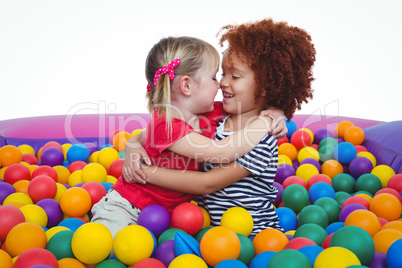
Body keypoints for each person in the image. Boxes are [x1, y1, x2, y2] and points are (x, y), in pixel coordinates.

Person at [129, 18, 316, 237]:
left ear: (266, 86)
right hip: (206, 234)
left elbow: (208, 183)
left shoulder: (260, 137)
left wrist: (145, 172)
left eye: (234, 76)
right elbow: (166, 130)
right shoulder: (215, 116)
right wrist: (133, 144)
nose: (222, 83)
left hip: (252, 238)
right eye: (221, 74)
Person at [91, 36, 286, 238]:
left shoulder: (208, 113)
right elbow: (220, 152)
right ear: (186, 86)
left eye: (232, 76)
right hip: (125, 209)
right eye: (214, 77)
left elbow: (254, 104)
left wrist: (274, 111)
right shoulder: (167, 124)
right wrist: (264, 123)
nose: (219, 84)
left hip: (169, 219)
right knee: (103, 246)